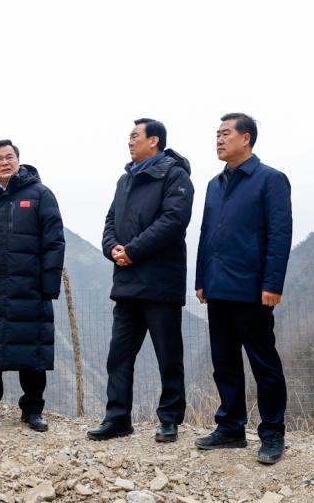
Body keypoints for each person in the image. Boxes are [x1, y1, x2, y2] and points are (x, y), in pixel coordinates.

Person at [87, 118, 194, 442]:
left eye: (135, 136)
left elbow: (173, 221)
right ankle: (117, 418)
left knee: (168, 356)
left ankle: (170, 419)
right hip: (127, 283)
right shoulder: (125, 180)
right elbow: (110, 220)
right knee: (119, 356)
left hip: (160, 283)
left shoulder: (175, 175)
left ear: (154, 141)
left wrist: (132, 251)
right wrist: (112, 248)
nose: (130, 141)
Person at [195, 113, 292, 464]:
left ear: (246, 138)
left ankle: (272, 432)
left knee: (263, 363)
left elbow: (279, 234)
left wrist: (272, 283)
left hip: (252, 288)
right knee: (224, 362)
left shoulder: (271, 180)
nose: (219, 140)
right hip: (218, 287)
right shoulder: (214, 184)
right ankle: (231, 427)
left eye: (225, 133)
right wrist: (201, 279)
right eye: (216, 134)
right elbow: (206, 233)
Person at [0, 140, 66, 432]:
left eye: (10, 157)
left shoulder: (41, 195)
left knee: (32, 352)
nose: (5, 162)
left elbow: (54, 242)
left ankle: (32, 411)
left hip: (29, 289)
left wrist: (49, 286)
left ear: (19, 161)